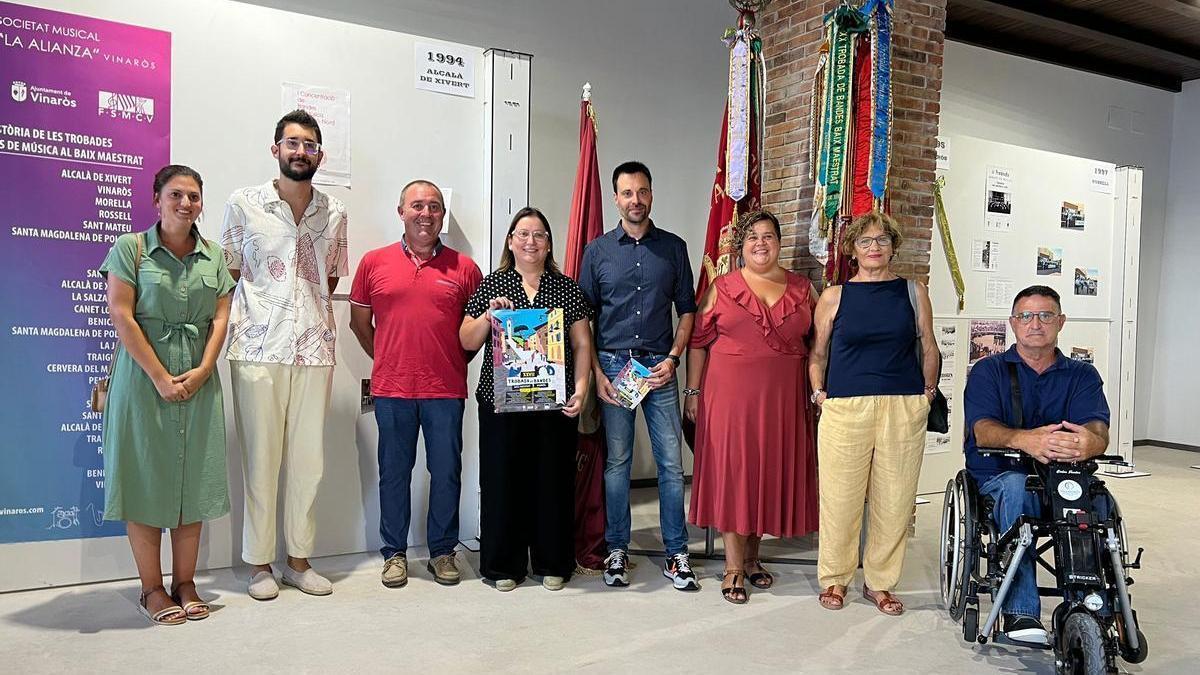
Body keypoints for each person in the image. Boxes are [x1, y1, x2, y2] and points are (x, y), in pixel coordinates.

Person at [220, 110, 349, 600]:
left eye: (309, 145)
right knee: (261, 458)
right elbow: (231, 272)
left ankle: (298, 561)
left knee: (308, 461)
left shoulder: (334, 212)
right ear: (276, 149)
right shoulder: (243, 204)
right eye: (292, 143)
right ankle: (259, 564)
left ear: (320, 155)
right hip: (257, 345)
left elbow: (329, 277)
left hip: (314, 348)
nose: (300, 151)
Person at [100, 164, 235, 624]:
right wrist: (159, 376)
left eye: (193, 196)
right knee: (143, 479)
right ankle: (152, 589)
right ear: (156, 199)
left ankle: (186, 582)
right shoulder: (131, 248)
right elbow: (121, 314)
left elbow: (221, 316)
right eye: (176, 194)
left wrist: (205, 369)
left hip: (199, 381)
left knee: (192, 482)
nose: (185, 203)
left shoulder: (214, 255)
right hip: (142, 382)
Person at [349, 179, 482, 589]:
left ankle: (442, 551)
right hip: (392, 391)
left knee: (446, 473)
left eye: (434, 207)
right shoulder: (373, 262)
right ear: (401, 211)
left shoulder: (466, 269)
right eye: (417, 206)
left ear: (443, 215)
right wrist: (389, 358)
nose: (426, 214)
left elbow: (474, 333)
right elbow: (359, 323)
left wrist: (451, 362)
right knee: (393, 474)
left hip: (446, 390)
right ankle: (394, 553)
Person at [684, 210, 820, 604]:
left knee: (767, 473)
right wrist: (692, 392)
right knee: (736, 475)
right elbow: (698, 342)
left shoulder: (804, 288)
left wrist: (818, 390)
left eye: (768, 236)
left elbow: (821, 343)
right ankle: (732, 567)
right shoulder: (722, 287)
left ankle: (752, 558)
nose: (760, 243)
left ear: (779, 242)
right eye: (752, 237)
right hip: (730, 398)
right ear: (741, 246)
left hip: (784, 399)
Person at [808, 210, 939, 615]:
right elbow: (818, 353)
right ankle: (835, 578)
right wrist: (819, 393)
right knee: (840, 498)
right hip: (845, 406)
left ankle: (880, 582)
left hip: (903, 405)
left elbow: (929, 345)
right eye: (865, 241)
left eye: (882, 240)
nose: (874, 247)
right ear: (853, 249)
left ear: (893, 246)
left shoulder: (913, 292)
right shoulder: (834, 296)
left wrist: (927, 394)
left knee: (895, 500)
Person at [964, 285, 1111, 645]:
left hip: (1061, 476)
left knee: (1099, 501)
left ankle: (1092, 605)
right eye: (1026, 316)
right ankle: (1021, 611)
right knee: (1018, 489)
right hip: (1001, 473)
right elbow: (983, 430)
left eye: (1045, 315)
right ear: (1013, 323)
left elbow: (1096, 428)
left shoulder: (1082, 375)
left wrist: (1092, 443)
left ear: (1061, 321)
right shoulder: (988, 371)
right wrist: (1024, 440)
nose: (1035, 324)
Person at [578, 160, 699, 590]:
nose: (636, 200)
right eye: (627, 193)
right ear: (616, 198)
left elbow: (688, 310)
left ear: (651, 194)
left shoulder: (674, 248)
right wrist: (597, 374)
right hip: (614, 367)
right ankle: (617, 549)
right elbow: (583, 319)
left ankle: (676, 554)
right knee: (617, 463)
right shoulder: (597, 252)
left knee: (671, 464)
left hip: (659, 367)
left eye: (642, 192)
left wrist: (674, 357)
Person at [459, 207, 593, 592]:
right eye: (523, 234)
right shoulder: (493, 283)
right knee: (502, 481)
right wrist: (488, 316)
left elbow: (582, 344)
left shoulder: (566, 287)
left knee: (553, 482)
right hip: (501, 403)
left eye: (539, 235)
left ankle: (553, 561)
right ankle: (503, 565)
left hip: (554, 403)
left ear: (548, 243)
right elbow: (466, 339)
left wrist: (581, 389)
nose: (530, 241)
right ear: (510, 241)